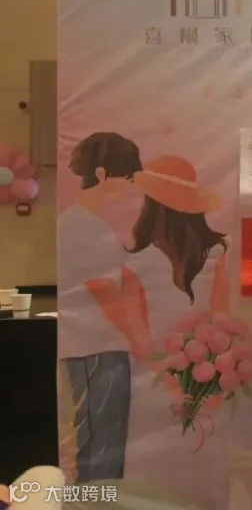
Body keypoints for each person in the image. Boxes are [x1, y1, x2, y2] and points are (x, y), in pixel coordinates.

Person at [121, 154, 231, 509]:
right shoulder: (215, 251)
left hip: (151, 378)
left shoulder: (134, 259)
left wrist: (165, 372)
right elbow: (222, 318)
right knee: (203, 459)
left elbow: (136, 333)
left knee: (153, 470)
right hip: (206, 374)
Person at [58, 131, 145, 482]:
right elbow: (103, 290)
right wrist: (137, 339)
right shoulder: (82, 225)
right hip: (95, 349)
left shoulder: (86, 222)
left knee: (101, 443)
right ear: (101, 175)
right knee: (101, 446)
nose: (131, 188)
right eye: (127, 178)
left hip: (94, 348)